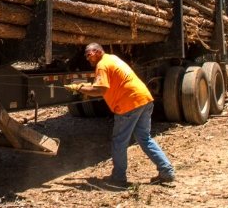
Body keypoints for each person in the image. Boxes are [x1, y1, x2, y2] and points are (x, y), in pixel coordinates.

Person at [67, 43, 175, 186]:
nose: (87, 58)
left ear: (98, 52)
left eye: (89, 54)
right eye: (86, 55)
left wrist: (80, 88)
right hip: (144, 99)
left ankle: (118, 178)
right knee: (144, 138)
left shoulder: (102, 65)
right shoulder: (111, 58)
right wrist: (86, 87)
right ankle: (166, 171)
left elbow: (100, 90)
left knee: (119, 141)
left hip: (129, 104)